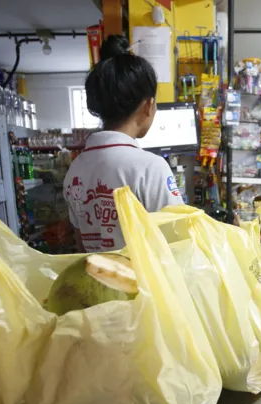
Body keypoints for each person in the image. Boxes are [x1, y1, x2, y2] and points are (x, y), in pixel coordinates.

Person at [63, 35, 183, 253]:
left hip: (95, 280)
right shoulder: (150, 168)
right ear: (148, 106)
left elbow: (81, 244)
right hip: (143, 286)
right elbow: (179, 241)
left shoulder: (76, 168)